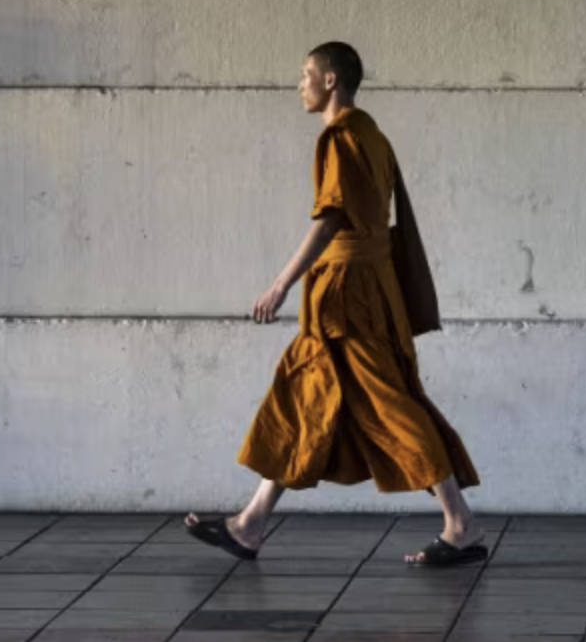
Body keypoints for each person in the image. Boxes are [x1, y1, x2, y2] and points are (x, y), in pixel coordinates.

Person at [185, 41, 484, 566]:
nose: (298, 84)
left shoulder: (340, 137)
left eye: (305, 74)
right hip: (366, 288)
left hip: (349, 294)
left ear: (330, 82)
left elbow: (329, 221)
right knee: (304, 394)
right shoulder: (373, 135)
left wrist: (280, 283)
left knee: (389, 404)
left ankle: (460, 523)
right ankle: (250, 523)